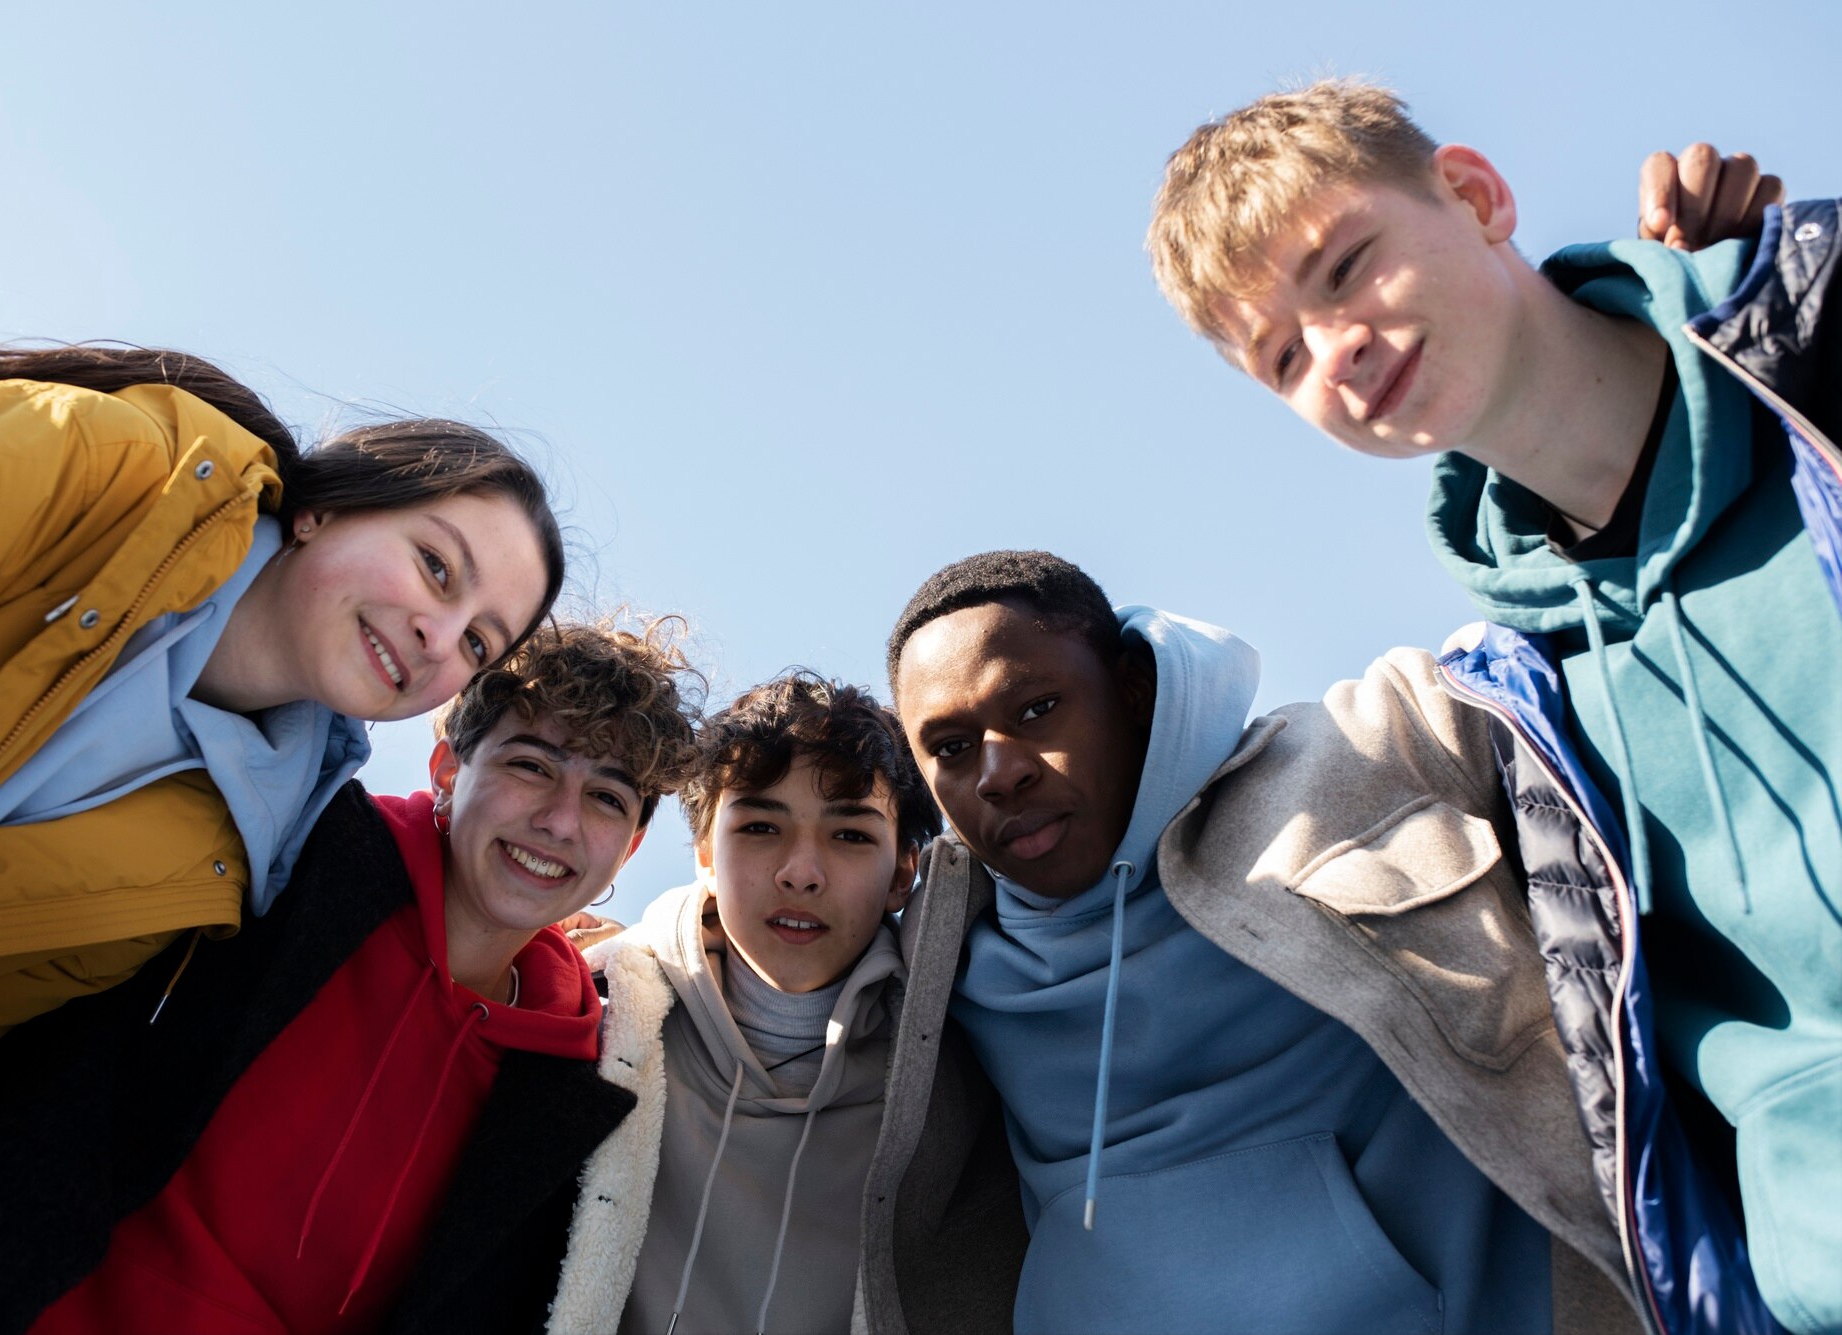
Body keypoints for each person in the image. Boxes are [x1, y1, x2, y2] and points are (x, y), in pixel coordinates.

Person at [1147, 82, 1838, 1335]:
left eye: (1345, 266)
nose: (1337, 349)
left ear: (1472, 197)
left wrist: (1761, 313)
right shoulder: (1511, 698)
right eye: (1283, 358)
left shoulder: (1814, 373)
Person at [856, 548, 1774, 1335]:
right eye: (950, 746)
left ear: (1131, 690)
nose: (1000, 770)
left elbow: (1594, 647)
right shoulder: (937, 961)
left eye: (1036, 709)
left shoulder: (1358, 750)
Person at [0, 619, 704, 1335]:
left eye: (606, 798)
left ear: (628, 847)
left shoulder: (578, 1076)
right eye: (532, 765)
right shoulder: (286, 857)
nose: (559, 820)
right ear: (447, 769)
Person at [0, 309, 564, 1150]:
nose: (439, 638)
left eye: (477, 641)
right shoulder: (114, 464)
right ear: (324, 512)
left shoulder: (211, 870)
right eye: (436, 567)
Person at [544, 672, 945, 1335]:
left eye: (850, 835)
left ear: (904, 869)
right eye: (760, 825)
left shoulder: (946, 1079)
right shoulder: (595, 1008)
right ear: (705, 851)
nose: (800, 871)